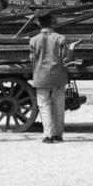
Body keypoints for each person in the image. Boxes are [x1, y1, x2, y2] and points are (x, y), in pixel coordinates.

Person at [29, 12, 72, 144]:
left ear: (39, 23)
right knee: (58, 105)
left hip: (41, 76)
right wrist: (72, 49)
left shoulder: (33, 40)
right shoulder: (60, 38)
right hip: (58, 76)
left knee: (44, 106)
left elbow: (31, 58)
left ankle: (48, 135)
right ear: (52, 21)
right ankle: (58, 134)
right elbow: (66, 58)